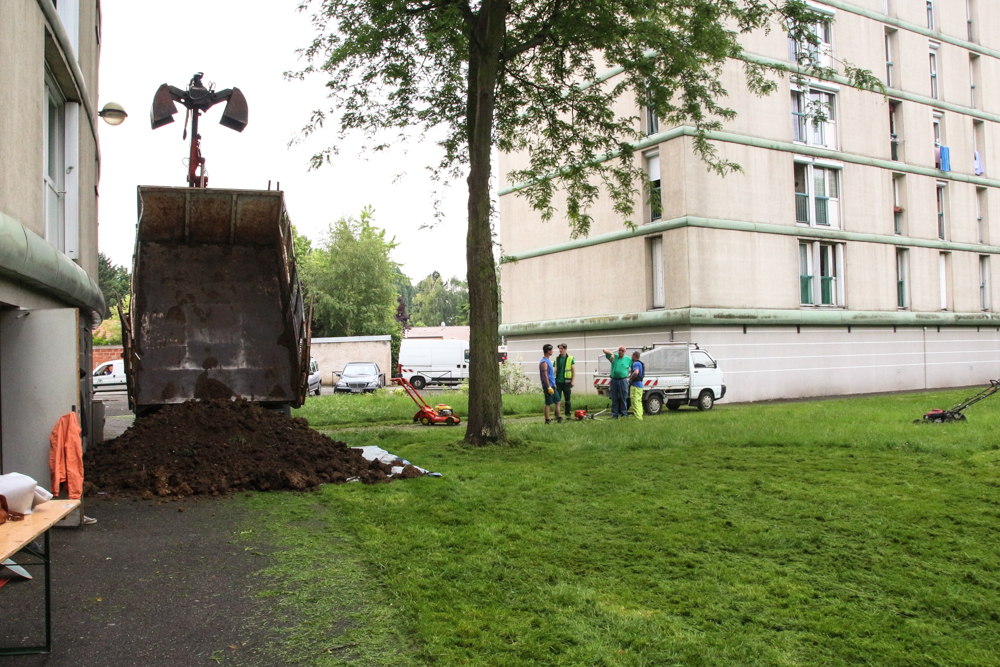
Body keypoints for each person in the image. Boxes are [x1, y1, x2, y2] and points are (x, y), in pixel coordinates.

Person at [602, 345, 631, 418]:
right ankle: (615, 414)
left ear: (624, 352)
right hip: (614, 380)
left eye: (622, 350)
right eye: (619, 350)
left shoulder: (628, 359)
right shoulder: (614, 357)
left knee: (623, 398)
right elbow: (604, 350)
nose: (620, 352)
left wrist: (630, 374)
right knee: (614, 398)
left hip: (623, 380)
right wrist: (611, 353)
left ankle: (624, 413)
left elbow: (634, 366)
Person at [539, 344, 562, 423]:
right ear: (548, 351)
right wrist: (548, 386)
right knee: (548, 403)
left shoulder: (548, 360)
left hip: (552, 385)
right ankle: (547, 419)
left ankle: (559, 417)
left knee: (558, 401)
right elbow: (545, 375)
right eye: (551, 350)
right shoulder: (544, 362)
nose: (552, 351)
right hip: (548, 386)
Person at [555, 344, 575, 419]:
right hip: (558, 382)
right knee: (557, 398)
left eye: (562, 349)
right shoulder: (556, 359)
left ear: (565, 349)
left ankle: (567, 412)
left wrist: (573, 381)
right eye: (559, 349)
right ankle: (557, 413)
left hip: (566, 382)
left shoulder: (570, 358)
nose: (560, 350)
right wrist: (554, 381)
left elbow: (573, 370)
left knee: (567, 399)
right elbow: (555, 371)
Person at [628, 351, 644, 420]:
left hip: (635, 385)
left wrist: (631, 379)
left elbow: (636, 372)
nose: (631, 357)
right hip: (640, 385)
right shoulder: (640, 363)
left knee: (634, 401)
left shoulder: (636, 363)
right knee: (639, 401)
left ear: (635, 356)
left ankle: (638, 417)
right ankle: (640, 415)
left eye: (632, 356)